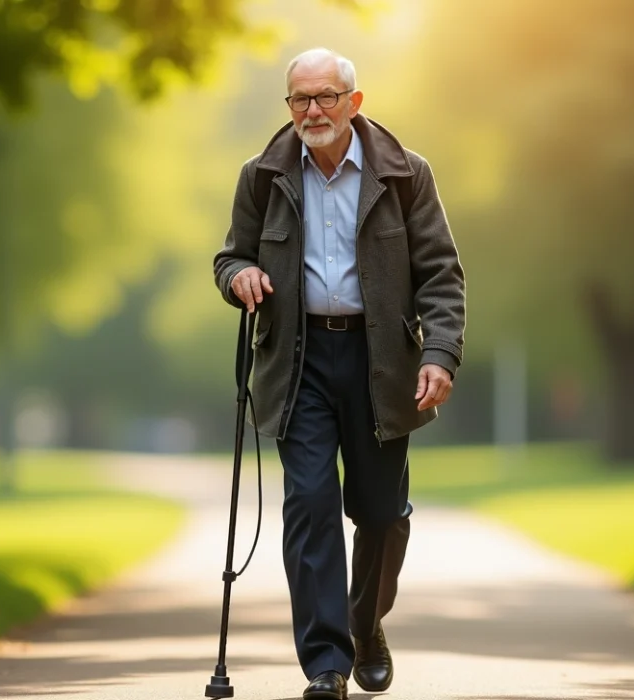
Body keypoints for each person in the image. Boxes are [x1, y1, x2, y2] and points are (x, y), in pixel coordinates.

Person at [212, 47, 466, 700]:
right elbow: (230, 255)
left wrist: (439, 354)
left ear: (355, 102)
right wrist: (238, 274)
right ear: (289, 107)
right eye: (300, 99)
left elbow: (440, 272)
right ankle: (326, 662)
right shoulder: (263, 177)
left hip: (379, 362)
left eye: (326, 96)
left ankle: (366, 623)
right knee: (311, 505)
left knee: (381, 513)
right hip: (297, 363)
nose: (313, 110)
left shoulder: (406, 175)